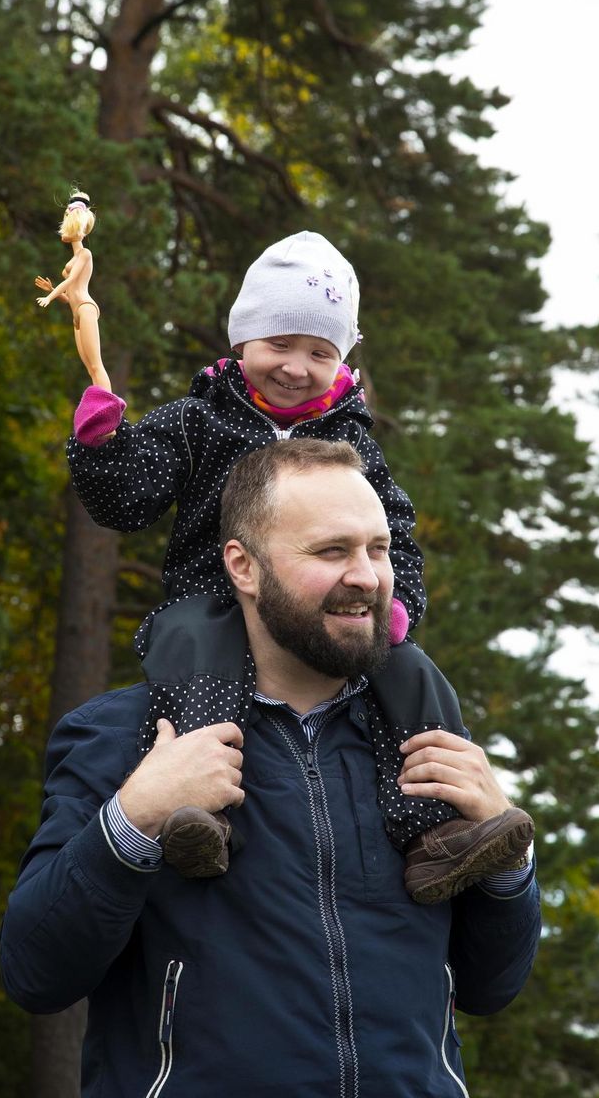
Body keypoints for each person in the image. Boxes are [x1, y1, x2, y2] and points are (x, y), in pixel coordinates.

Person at [0, 440, 541, 1098]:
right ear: (243, 566)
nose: (368, 576)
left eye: (378, 549)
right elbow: (34, 969)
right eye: (331, 551)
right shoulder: (122, 737)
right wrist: (134, 816)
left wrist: (507, 866)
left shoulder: (425, 746)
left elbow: (492, 985)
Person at [65, 228, 532, 898]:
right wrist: (104, 443)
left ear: (341, 359)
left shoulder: (351, 441)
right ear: (243, 339)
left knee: (410, 669)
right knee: (187, 643)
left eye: (318, 351)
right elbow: (126, 501)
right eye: (279, 343)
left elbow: (393, 528)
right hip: (212, 598)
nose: (294, 365)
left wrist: (394, 603)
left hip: (321, 608)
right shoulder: (198, 420)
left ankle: (435, 833)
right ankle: (202, 814)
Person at [34, 191, 111, 390]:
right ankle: (100, 408)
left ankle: (111, 411)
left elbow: (72, 281)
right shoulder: (72, 259)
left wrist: (49, 297)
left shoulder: (85, 254)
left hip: (86, 308)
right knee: (90, 369)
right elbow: (69, 298)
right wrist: (54, 290)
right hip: (75, 314)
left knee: (96, 364)